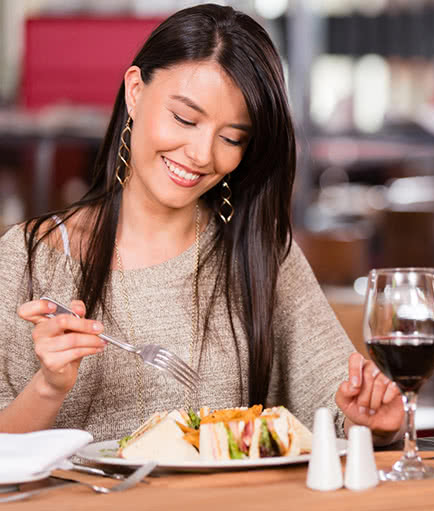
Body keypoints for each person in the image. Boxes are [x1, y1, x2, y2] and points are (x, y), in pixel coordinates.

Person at [0, 4, 403, 444]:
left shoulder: (258, 253)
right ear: (135, 91)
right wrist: (48, 386)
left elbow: (335, 391)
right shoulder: (27, 258)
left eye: (231, 138)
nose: (201, 154)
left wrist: (368, 418)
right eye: (185, 119)